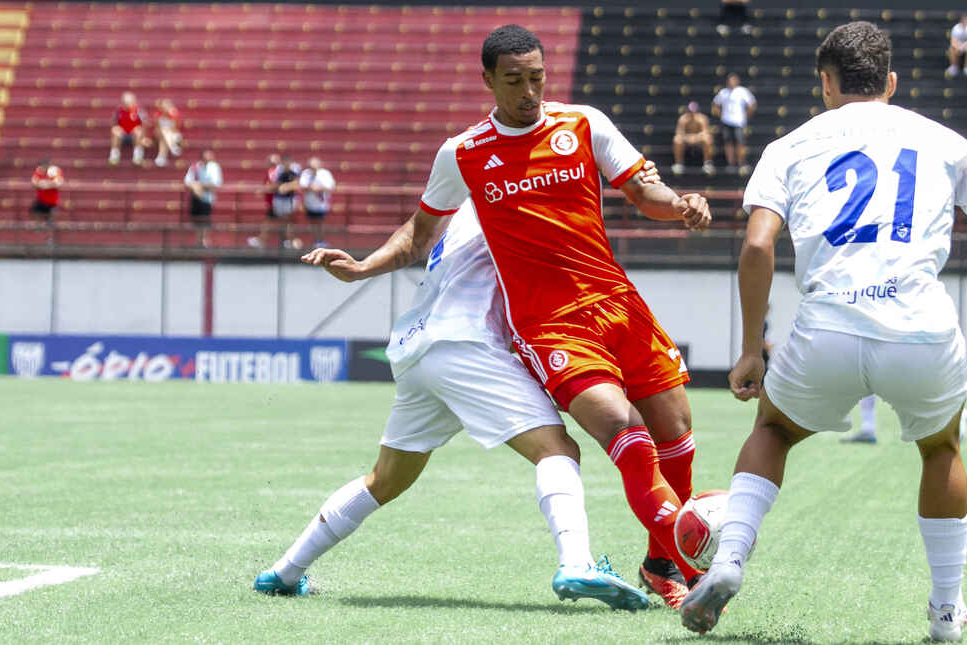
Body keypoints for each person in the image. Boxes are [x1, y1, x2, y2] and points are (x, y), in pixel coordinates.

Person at [679, 21, 967, 641]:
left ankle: (727, 561)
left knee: (775, 430)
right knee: (940, 449)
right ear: (890, 82)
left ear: (826, 84)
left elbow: (757, 246)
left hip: (826, 331)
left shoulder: (787, 147)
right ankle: (946, 611)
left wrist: (752, 348)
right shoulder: (942, 140)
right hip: (919, 331)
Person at [303, 25, 713, 609]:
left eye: (538, 78)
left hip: (619, 304)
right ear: (489, 80)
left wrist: (682, 206)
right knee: (624, 431)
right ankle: (692, 562)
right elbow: (420, 233)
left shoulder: (584, 124)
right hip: (549, 324)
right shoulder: (464, 153)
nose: (529, 91)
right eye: (515, 80)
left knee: (676, 440)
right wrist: (365, 266)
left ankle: (658, 562)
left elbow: (645, 192)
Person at [256, 168, 679, 610]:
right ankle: (577, 563)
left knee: (384, 479)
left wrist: (363, 267)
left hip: (419, 349)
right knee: (557, 450)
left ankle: (284, 572)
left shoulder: (461, 210)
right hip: (467, 344)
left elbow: (414, 232)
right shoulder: (514, 201)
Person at [711, 73, 756, 175]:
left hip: (738, 122)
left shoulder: (742, 91)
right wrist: (721, 115)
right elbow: (715, 104)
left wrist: (746, 115)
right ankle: (731, 163)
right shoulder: (723, 92)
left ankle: (741, 163)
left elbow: (752, 104)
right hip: (726, 121)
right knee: (728, 143)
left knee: (740, 143)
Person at [184, 149, 222, 237]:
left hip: (207, 198)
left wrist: (199, 186)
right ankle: (199, 239)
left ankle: (205, 239)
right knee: (196, 220)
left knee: (205, 220)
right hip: (196, 197)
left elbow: (216, 183)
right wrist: (195, 186)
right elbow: (187, 181)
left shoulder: (214, 167)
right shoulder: (195, 167)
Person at [299, 156, 337, 245]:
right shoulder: (306, 173)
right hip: (309, 203)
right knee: (313, 222)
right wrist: (311, 187)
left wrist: (318, 188)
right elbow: (302, 185)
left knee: (320, 222)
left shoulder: (325, 173)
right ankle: (316, 240)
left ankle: (322, 240)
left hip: (321, 203)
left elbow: (330, 186)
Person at [672, 102, 716, 176]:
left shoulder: (702, 118)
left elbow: (705, 132)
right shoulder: (683, 119)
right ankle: (679, 164)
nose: (692, 114)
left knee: (707, 139)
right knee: (677, 140)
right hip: (686, 140)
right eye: (690, 111)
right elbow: (679, 132)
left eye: (694, 111)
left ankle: (707, 163)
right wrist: (689, 138)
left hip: (698, 140)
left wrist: (695, 138)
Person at [108, 92, 147, 166]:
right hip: (122, 135)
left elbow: (144, 124)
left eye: (129, 102)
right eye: (125, 102)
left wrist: (144, 137)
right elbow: (113, 123)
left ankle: (138, 155)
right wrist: (117, 128)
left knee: (138, 130)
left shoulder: (138, 110)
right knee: (115, 130)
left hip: (134, 136)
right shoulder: (119, 111)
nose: (127, 104)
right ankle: (114, 155)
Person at [151, 98, 184, 167]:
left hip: (174, 135)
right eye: (163, 106)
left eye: (167, 106)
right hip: (161, 135)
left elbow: (175, 128)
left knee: (163, 139)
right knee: (163, 132)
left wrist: (171, 117)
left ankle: (161, 156)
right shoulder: (157, 115)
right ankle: (172, 147)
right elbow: (157, 128)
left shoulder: (174, 114)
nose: (165, 108)